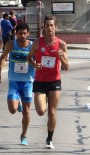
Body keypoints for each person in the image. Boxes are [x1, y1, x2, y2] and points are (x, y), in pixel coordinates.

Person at [27, 15, 69, 149]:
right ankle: (43, 100)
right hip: (40, 81)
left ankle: (49, 139)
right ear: (43, 27)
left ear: (56, 27)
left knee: (52, 112)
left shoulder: (61, 44)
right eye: (47, 26)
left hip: (54, 81)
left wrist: (62, 57)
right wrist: (34, 65)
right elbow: (29, 58)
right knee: (40, 111)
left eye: (52, 25)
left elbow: (67, 67)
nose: (49, 28)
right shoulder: (37, 43)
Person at [0, 22, 34, 145]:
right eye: (20, 34)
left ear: (28, 33)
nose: (22, 36)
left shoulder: (33, 46)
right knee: (12, 110)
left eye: (24, 33)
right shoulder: (11, 44)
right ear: (16, 34)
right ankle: (18, 105)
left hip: (27, 82)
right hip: (14, 82)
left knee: (27, 112)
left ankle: (24, 135)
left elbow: (39, 59)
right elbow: (2, 57)